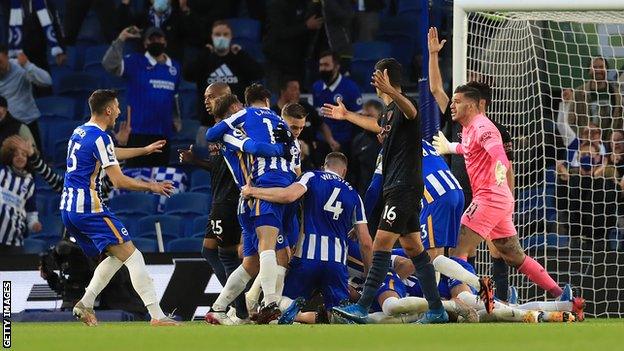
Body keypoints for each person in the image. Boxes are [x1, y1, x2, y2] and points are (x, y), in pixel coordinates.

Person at [322, 58, 448, 324]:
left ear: (386, 76)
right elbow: (378, 125)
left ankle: (363, 306)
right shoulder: (389, 111)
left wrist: (392, 91)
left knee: (380, 244)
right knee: (414, 247)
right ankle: (437, 310)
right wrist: (347, 116)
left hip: (403, 187)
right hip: (399, 187)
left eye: (376, 75)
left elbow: (412, 111)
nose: (373, 80)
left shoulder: (404, 106)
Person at [432, 85, 567, 303]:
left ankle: (482, 297)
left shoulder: (484, 127)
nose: (452, 105)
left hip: (488, 198)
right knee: (514, 256)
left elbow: (499, 153)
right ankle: (562, 295)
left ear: (473, 105)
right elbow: (470, 148)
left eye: (457, 101)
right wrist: (450, 147)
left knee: (458, 249)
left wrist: (501, 166)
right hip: (498, 200)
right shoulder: (468, 128)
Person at [62, 89, 179, 326]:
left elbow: (111, 153)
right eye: (116, 107)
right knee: (134, 256)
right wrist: (152, 187)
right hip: (89, 208)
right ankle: (157, 316)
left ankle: (85, 303)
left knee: (116, 257)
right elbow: (119, 181)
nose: (118, 111)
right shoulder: (101, 137)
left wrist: (144, 150)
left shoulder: (81, 131)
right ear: (107, 110)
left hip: (68, 209)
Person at [428, 27, 513, 303]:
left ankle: (497, 300)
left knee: (495, 250)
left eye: (462, 98)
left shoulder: (494, 130)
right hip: (455, 191)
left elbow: (506, 165)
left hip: (485, 195)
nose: (455, 102)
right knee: (455, 250)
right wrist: (432, 55)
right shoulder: (454, 120)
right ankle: (468, 298)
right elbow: (435, 88)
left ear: (479, 102)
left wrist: (508, 198)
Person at [241, 152, 372, 325]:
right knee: (340, 312)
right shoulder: (354, 195)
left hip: (306, 258)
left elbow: (288, 196)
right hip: (336, 265)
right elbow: (366, 242)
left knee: (280, 301)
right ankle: (335, 316)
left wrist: (254, 191)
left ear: (324, 165)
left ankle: (292, 310)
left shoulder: (311, 176)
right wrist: (369, 276)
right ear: (344, 171)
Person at [205, 84, 297, 323]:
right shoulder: (237, 131)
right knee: (268, 247)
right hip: (257, 191)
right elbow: (257, 147)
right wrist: (281, 149)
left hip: (252, 193)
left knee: (251, 263)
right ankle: (270, 302)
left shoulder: (241, 125)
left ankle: (218, 307)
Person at [102, 26, 182, 167]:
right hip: (137, 133)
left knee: (159, 182)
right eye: (151, 39)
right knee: (136, 178)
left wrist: (176, 118)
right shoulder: (134, 62)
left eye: (159, 38)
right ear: (145, 43)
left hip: (163, 133)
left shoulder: (175, 67)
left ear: (165, 41)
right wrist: (121, 38)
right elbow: (109, 64)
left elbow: (173, 96)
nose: (155, 41)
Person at [183, 20, 263, 123]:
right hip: (209, 124)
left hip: (238, 123)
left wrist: (241, 54)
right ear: (211, 36)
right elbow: (187, 75)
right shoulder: (205, 59)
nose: (221, 37)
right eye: (217, 34)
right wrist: (204, 54)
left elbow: (259, 73)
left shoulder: (238, 58)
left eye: (225, 34)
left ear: (231, 37)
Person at [264, 0, 323, 92]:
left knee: (295, 94)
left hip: (297, 59)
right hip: (277, 59)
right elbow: (280, 32)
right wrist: (306, 26)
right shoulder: (276, 5)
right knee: (275, 94)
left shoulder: (305, 4)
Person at [116, 0, 204, 61]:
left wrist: (185, 9)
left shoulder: (178, 18)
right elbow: (122, 28)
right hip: (145, 65)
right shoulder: (142, 18)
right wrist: (124, 4)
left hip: (171, 65)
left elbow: (195, 35)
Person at [0, 46, 52, 149]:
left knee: (34, 160)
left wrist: (27, 65)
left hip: (27, 123)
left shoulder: (20, 66)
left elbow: (47, 81)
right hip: (4, 127)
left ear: (7, 56)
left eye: (0, 62)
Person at [313, 51, 363, 154]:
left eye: (326, 65)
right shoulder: (316, 87)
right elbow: (318, 118)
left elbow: (359, 119)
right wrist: (329, 139)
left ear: (336, 67)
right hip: (322, 141)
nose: (323, 69)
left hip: (345, 143)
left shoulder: (351, 88)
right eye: (321, 65)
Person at [272, 78, 328, 169]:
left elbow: (321, 124)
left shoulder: (306, 108)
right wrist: (293, 145)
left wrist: (330, 140)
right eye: (294, 89)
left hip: (309, 154)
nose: (298, 92)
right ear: (283, 91)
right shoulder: (272, 114)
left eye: (298, 89)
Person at [0, 136, 41, 254]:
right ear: (10, 156)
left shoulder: (29, 183)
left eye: (24, 154)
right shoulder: (2, 172)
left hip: (14, 241)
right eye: (16, 154)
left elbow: (31, 210)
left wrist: (34, 223)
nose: (20, 157)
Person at [568, 56, 623, 136]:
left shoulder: (617, 93)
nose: (598, 70)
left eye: (601, 67)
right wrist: (585, 136)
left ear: (606, 69)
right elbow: (571, 121)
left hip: (611, 143)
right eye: (594, 67)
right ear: (589, 70)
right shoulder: (578, 93)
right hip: (589, 144)